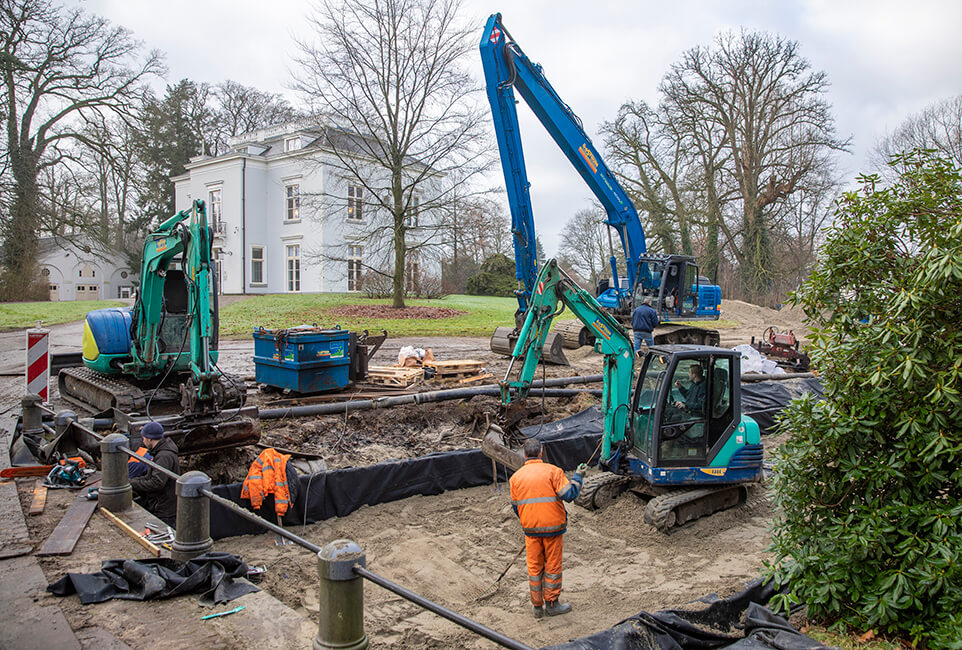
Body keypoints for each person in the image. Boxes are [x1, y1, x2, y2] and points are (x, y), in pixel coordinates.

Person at [508, 438, 586, 619]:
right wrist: (578, 477)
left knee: (534, 568)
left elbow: (516, 507)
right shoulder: (553, 472)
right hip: (553, 529)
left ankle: (537, 607)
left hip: (531, 530)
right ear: (541, 453)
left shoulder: (515, 478)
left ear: (525, 454)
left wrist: (530, 522)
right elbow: (569, 495)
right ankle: (552, 604)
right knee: (552, 567)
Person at [130, 421, 179, 525]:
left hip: (165, 510)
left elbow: (156, 483)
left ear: (150, 439)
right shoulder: (160, 452)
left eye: (143, 438)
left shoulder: (163, 457)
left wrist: (132, 483)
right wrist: (134, 481)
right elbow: (150, 477)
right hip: (163, 506)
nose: (143, 441)